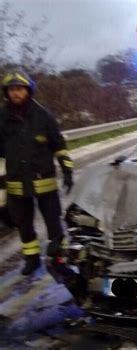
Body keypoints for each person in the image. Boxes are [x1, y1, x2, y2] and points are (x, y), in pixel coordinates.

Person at [0, 69, 74, 275]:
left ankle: (59, 258)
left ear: (28, 90)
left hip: (45, 183)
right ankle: (31, 260)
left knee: (54, 224)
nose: (16, 93)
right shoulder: (2, 119)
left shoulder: (43, 116)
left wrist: (67, 170)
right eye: (12, 90)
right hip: (16, 184)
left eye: (20, 89)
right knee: (24, 226)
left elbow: (59, 145)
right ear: (6, 93)